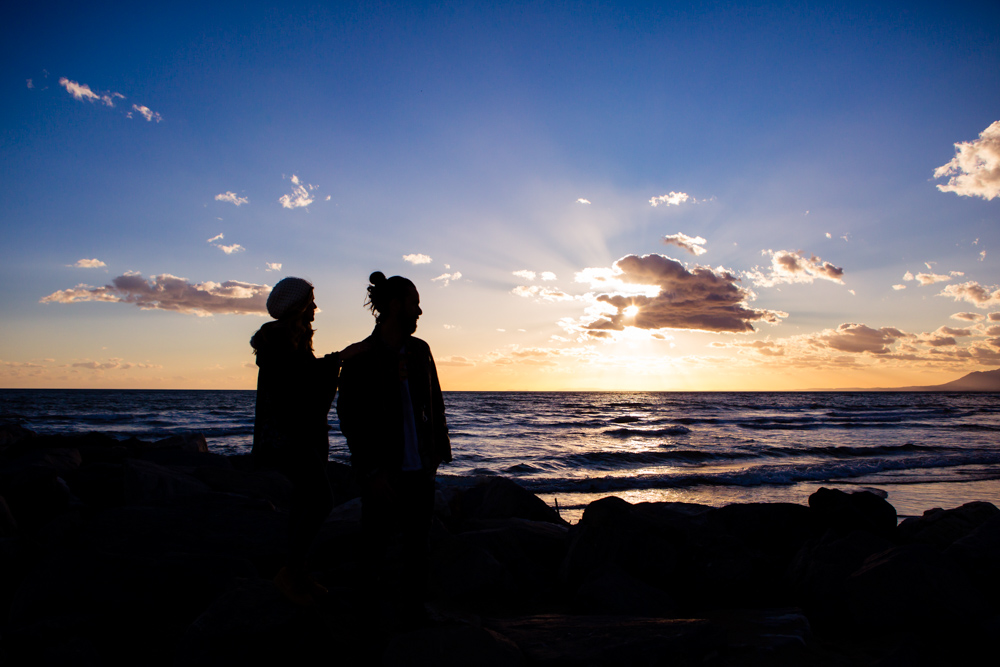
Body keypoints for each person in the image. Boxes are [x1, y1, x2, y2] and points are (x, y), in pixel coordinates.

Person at [336, 271, 451, 622]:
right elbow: (350, 419)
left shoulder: (421, 350)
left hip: (420, 469)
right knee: (375, 547)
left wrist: (436, 457)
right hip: (383, 473)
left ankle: (413, 614)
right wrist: (370, 472)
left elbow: (436, 404)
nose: (419, 311)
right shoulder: (362, 357)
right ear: (395, 305)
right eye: (414, 303)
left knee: (418, 546)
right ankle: (367, 621)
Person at [251, 276, 357, 606]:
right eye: (310, 302)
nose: (314, 308)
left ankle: (297, 572)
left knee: (303, 502)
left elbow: (306, 378)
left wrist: (333, 362)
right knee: (321, 499)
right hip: (289, 438)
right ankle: (290, 571)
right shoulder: (281, 343)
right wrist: (339, 360)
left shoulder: (289, 339)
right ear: (298, 307)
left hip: (293, 436)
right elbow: (299, 386)